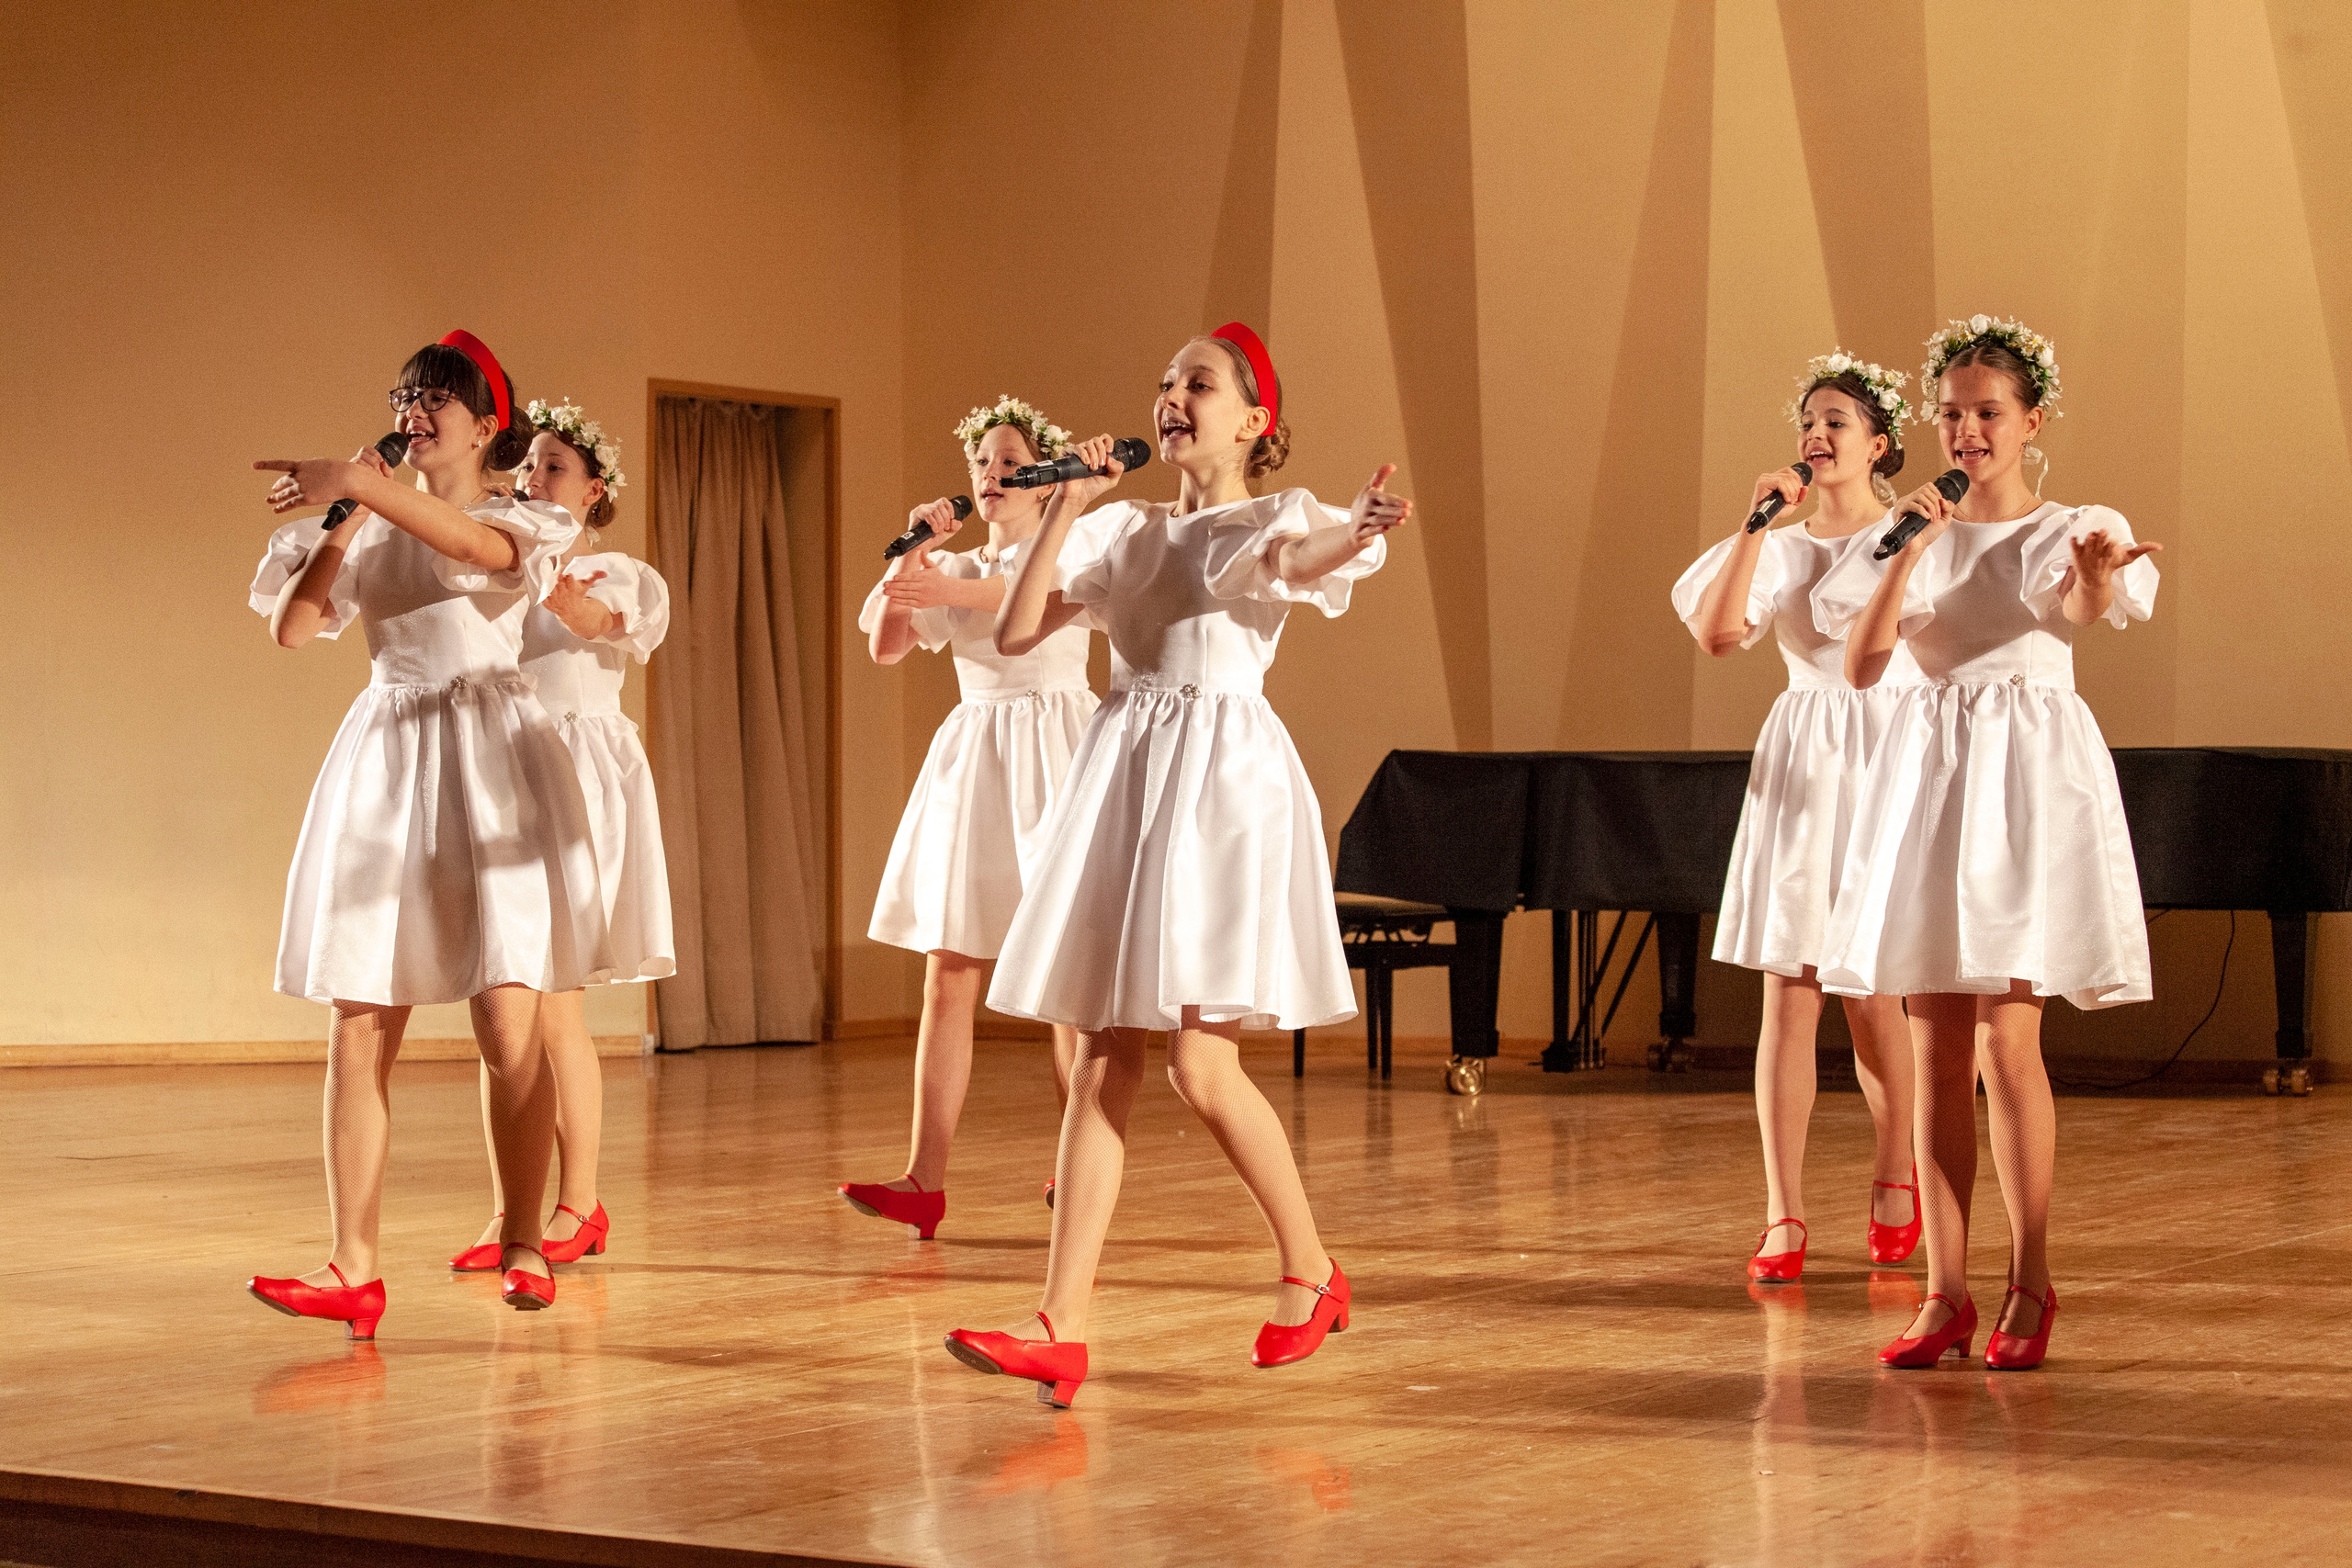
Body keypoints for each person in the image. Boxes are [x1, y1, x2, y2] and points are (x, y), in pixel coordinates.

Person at [942, 324, 1410, 1407]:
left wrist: (1355, 529)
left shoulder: (1269, 520)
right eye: (1164, 381)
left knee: (1201, 1066)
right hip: (1127, 770)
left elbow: (1301, 562)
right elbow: (1016, 632)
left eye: (1198, 382)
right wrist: (1065, 508)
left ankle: (1310, 1268)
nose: (1172, 395)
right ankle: (1060, 1324)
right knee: (1103, 1056)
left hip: (1220, 789)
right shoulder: (1124, 529)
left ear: (1252, 421)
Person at [244, 332, 610, 1336]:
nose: (415, 409)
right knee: (359, 1019)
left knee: (508, 1022)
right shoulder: (367, 519)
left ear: (488, 425)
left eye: (438, 397)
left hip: (490, 762)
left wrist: (363, 483)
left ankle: (524, 1238)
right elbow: (292, 627)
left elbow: (474, 552)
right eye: (406, 394)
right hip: (389, 758)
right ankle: (351, 1265)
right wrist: (345, 517)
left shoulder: (520, 516)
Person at [1815, 315, 2160, 1371]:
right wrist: (1905, 551)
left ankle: (2031, 1280)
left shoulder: (2072, 525)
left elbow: (2087, 607)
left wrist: (2095, 573)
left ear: (2030, 421)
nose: (1967, 431)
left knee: (2008, 1042)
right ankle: (1945, 1293)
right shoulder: (1907, 531)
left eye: (1989, 413)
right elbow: (1863, 667)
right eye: (1952, 414)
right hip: (1930, 782)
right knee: (1934, 1054)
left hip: (2021, 787)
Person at [1673, 352, 1923, 1283]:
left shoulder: (1910, 532)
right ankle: (1782, 1211)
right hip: (1806, 752)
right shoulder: (1778, 546)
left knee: (1872, 992)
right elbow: (1717, 634)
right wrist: (1754, 526)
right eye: (1809, 424)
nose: (1817, 437)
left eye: (1836, 423)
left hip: (1886, 747)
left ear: (1880, 444)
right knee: (1789, 984)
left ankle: (1895, 1171)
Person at [838, 398, 1091, 1239]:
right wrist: (914, 554)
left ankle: (1079, 1164)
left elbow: (1026, 597)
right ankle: (925, 1176)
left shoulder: (1063, 545)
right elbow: (885, 645)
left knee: (1064, 978)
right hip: (979, 754)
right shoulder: (954, 562)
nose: (992, 473)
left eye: (1010, 459)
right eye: (981, 460)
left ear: (1044, 476)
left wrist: (942, 582)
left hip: (1054, 748)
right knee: (948, 968)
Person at [449, 400, 669, 1274]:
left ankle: (579, 1200)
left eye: (553, 467)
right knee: (502, 998)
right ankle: (515, 1206)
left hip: (581, 779)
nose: (532, 477)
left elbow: (595, 622)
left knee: (554, 1001)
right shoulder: (501, 558)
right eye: (528, 464)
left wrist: (556, 582)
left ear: (593, 490)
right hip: (509, 773)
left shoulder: (617, 571)